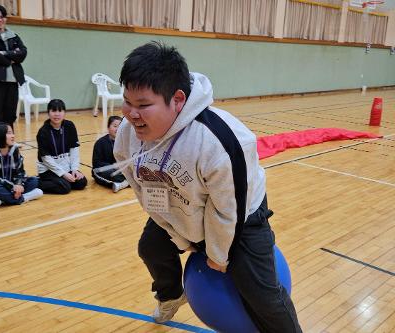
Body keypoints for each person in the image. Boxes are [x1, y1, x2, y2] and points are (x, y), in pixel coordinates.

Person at [114, 41, 302, 332]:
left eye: (143, 105)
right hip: (179, 204)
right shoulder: (128, 135)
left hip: (240, 219)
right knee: (150, 247)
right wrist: (176, 234)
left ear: (177, 100)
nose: (131, 114)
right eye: (127, 101)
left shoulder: (219, 141)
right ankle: (172, 295)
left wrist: (217, 254)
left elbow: (229, 208)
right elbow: (142, 190)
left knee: (263, 296)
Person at [36, 99, 87, 194]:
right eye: (53, 111)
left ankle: (62, 180)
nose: (57, 114)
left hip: (65, 166)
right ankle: (37, 182)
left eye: (60, 111)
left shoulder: (70, 126)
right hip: (48, 169)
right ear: (48, 113)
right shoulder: (43, 132)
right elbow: (46, 159)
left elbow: (74, 149)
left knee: (81, 182)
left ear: (64, 113)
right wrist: (63, 174)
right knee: (65, 187)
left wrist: (74, 169)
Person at [0, 122, 42, 207]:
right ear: (0, 135)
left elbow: (20, 172)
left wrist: (19, 184)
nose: (13, 135)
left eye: (12, 132)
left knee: (34, 180)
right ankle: (24, 197)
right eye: (9, 133)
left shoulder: (15, 150)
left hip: (12, 183)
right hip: (0, 184)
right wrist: (12, 187)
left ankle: (3, 200)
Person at [0, 5, 27, 128]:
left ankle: (10, 142)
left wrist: (3, 53)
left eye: (2, 17)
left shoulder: (13, 35)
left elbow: (23, 53)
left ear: (5, 18)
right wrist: (11, 58)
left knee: (10, 114)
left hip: (13, 80)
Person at [92, 115, 129, 192]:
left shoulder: (125, 142)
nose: (117, 129)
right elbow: (96, 163)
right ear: (108, 127)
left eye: (120, 126)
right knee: (107, 173)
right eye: (115, 126)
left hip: (121, 170)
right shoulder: (100, 143)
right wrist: (114, 167)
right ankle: (127, 182)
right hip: (106, 169)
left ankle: (123, 183)